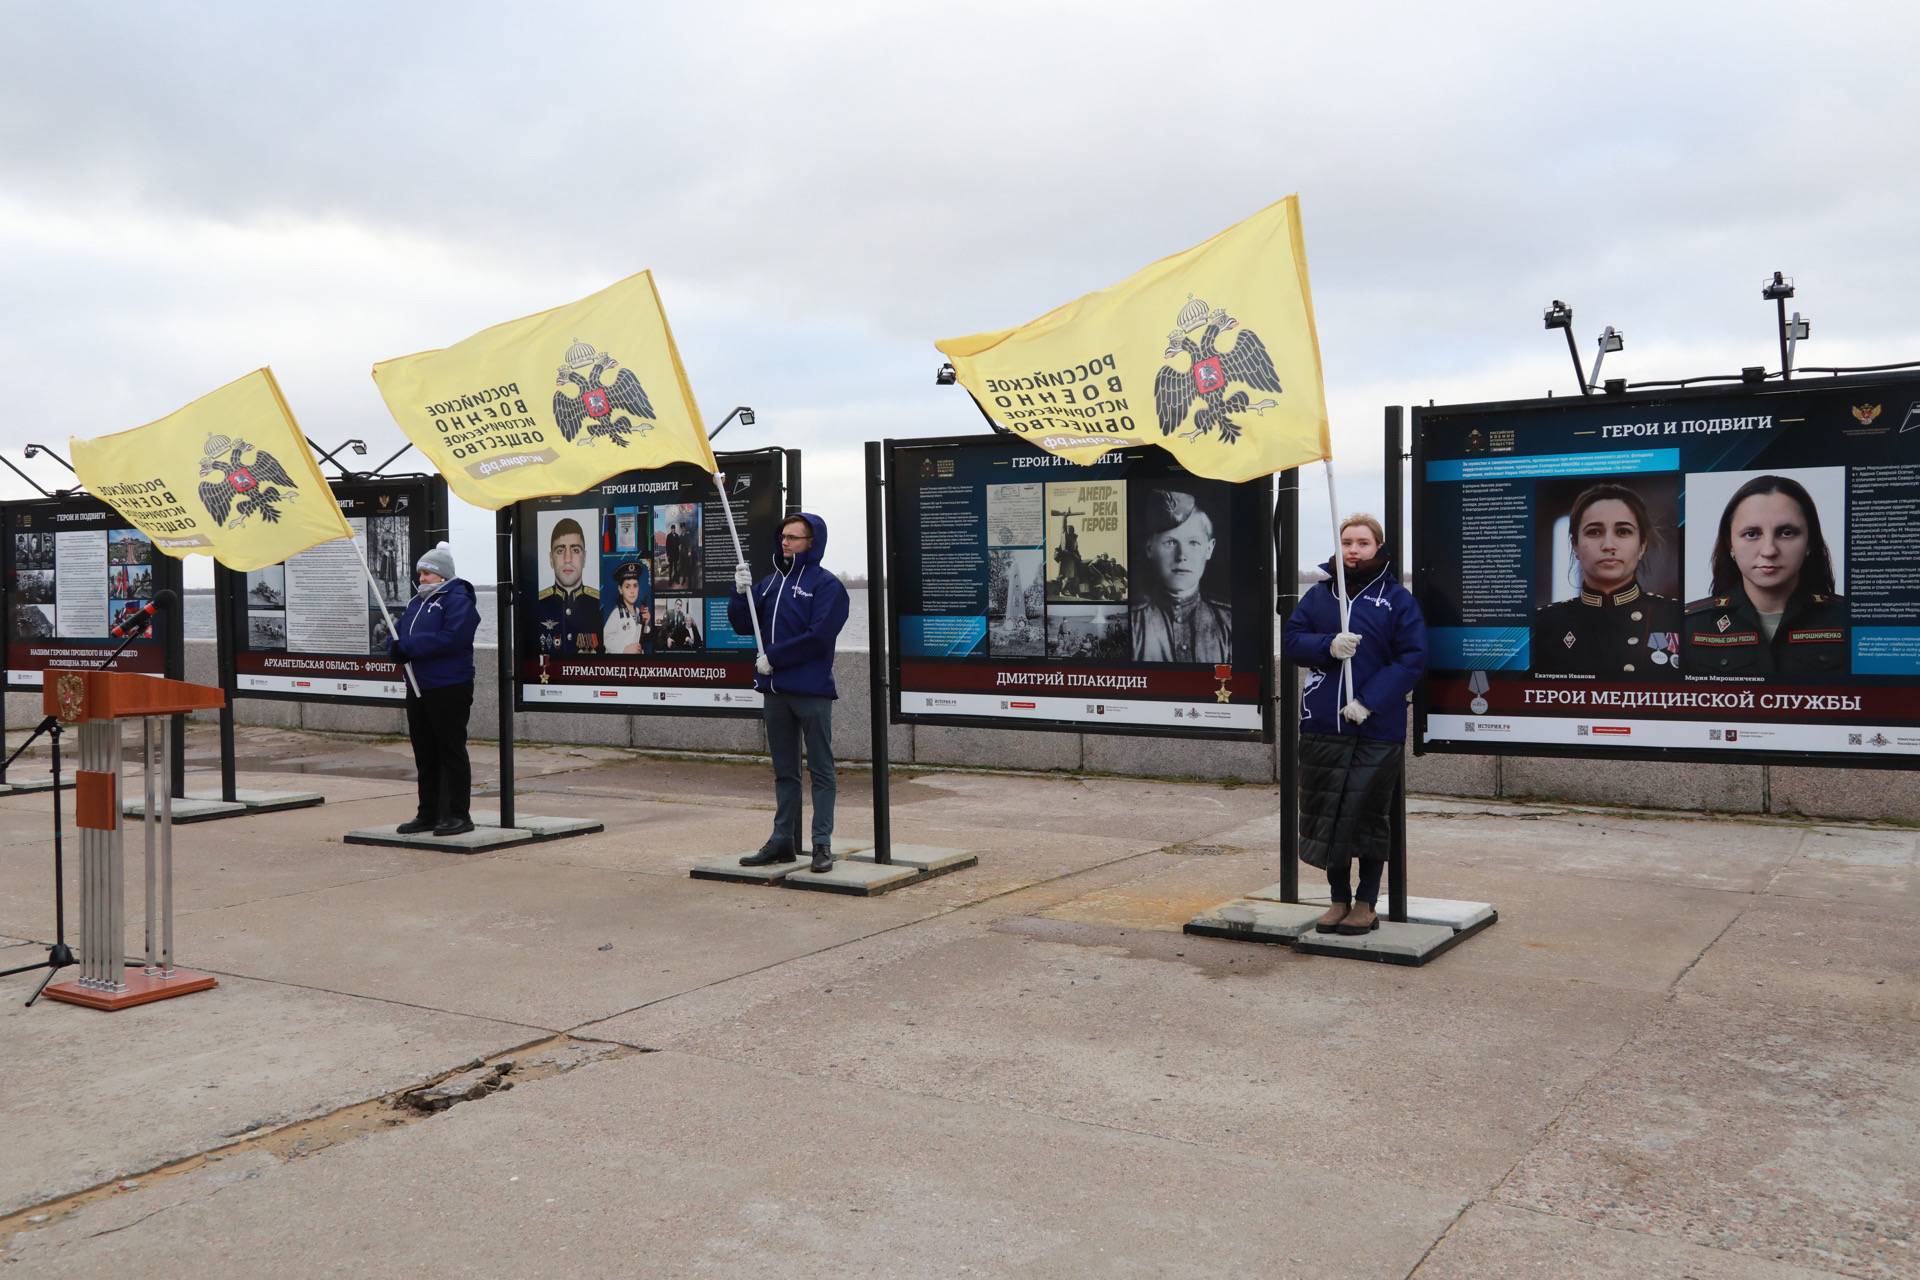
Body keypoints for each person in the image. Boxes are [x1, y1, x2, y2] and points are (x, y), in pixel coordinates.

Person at [1282, 514, 1428, 935]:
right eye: (1347, 541)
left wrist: (1369, 700)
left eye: (1363, 542)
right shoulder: (1322, 596)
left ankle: (1366, 902)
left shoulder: (1397, 599)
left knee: (1366, 816)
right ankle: (1337, 899)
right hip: (1324, 724)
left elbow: (1412, 659)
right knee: (1328, 815)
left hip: (1375, 728)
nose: (1353, 549)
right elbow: (1292, 640)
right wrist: (1325, 645)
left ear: (1377, 548)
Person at [732, 513, 851, 874]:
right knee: (785, 772)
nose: (785, 542)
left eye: (794, 538)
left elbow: (819, 637)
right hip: (776, 692)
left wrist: (775, 657)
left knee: (822, 771)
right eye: (783, 536)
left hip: (811, 691)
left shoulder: (827, 586)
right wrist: (739, 595)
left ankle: (821, 844)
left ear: (811, 543)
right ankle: (782, 840)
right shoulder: (768, 584)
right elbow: (742, 624)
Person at [1682, 475, 1849, 676]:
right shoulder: (1688, 626)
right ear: (1730, 545)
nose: (1769, 550)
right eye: (1752, 534)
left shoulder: (1852, 621)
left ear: (1809, 542)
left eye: (1786, 533)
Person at [1531, 483, 1682, 678]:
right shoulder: (1542, 625)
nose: (1608, 545)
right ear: (1574, 545)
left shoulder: (1678, 619)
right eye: (1594, 532)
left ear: (1642, 546)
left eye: (1623, 531)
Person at [389, 542, 480, 837]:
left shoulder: (458, 599)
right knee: (424, 752)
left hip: (449, 685)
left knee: (450, 749)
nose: (422, 578)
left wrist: (410, 647)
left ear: (442, 575)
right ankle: (427, 813)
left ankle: (458, 814)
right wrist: (394, 646)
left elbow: (452, 638)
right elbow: (403, 632)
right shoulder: (418, 602)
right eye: (420, 572)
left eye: (428, 573)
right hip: (418, 687)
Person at [1131, 488, 1233, 663]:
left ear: (1209, 549)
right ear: (1150, 548)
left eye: (1193, 542)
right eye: (1170, 542)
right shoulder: (1134, 623)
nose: (1181, 556)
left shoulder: (1228, 621)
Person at [534, 517, 600, 655]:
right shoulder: (536, 605)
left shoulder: (600, 605)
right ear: (551, 559)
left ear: (585, 558)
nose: (568, 558)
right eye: (560, 551)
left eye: (575, 550)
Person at [602, 560, 651, 654]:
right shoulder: (617, 613)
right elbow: (605, 639)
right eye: (627, 587)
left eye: (635, 586)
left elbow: (638, 635)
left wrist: (646, 623)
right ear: (620, 589)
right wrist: (623, 650)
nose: (632, 591)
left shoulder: (637, 611)